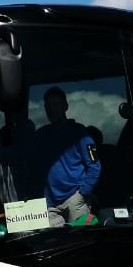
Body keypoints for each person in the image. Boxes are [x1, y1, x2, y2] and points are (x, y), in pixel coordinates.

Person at [34, 87, 100, 226]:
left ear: (66, 106)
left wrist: (83, 193)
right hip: (49, 203)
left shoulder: (81, 133)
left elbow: (95, 165)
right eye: (49, 106)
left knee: (81, 242)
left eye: (57, 105)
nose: (52, 110)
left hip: (75, 199)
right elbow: (25, 158)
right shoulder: (41, 135)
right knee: (51, 244)